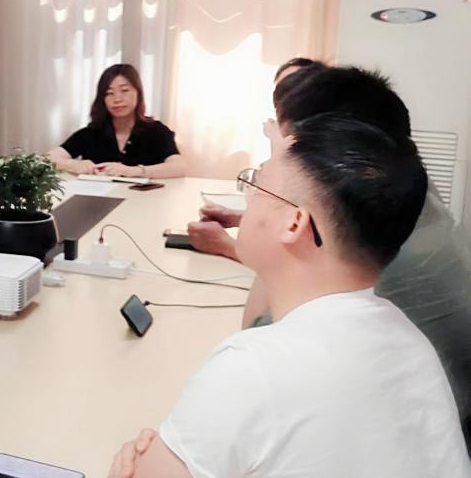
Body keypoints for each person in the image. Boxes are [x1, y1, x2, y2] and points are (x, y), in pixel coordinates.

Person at [109, 113, 471, 478]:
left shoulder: (253, 369)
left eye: (256, 184)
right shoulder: (410, 341)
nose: (248, 199)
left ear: (295, 222)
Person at [190, 65, 471, 446]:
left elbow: (260, 329)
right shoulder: (404, 197)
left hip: (411, 436)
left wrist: (271, 207)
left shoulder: (377, 248)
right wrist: (267, 213)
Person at [187, 57, 322, 259]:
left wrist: (225, 245)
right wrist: (234, 217)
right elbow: (287, 221)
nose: (286, 100)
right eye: (281, 92)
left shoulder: (323, 161)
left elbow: (306, 260)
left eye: (296, 87)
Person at [46, 63, 185, 178]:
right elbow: (47, 158)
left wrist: (134, 171)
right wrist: (74, 165)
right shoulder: (92, 132)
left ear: (138, 93)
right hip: (98, 199)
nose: (117, 99)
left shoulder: (156, 131)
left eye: (124, 90)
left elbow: (179, 167)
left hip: (146, 200)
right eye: (109, 93)